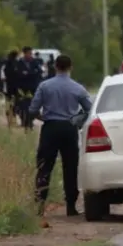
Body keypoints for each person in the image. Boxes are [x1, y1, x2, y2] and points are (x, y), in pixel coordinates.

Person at [28, 54, 93, 217]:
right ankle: (71, 206)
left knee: (44, 167)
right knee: (70, 167)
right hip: (69, 128)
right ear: (71, 67)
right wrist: (77, 120)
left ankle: (40, 206)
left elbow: (32, 109)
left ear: (55, 66)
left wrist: (42, 117)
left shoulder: (45, 86)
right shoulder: (78, 88)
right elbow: (89, 109)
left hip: (50, 128)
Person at [15, 46, 43, 132]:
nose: (30, 55)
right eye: (28, 53)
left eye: (31, 53)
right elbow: (18, 74)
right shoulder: (20, 62)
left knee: (33, 105)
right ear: (24, 53)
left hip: (32, 87)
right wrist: (29, 73)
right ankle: (24, 120)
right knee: (23, 105)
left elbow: (39, 72)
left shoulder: (34, 62)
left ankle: (30, 121)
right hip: (23, 88)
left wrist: (28, 73)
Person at [2, 50, 20, 127]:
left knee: (8, 102)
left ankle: (9, 120)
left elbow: (3, 77)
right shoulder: (16, 64)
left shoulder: (5, 64)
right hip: (15, 86)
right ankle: (13, 119)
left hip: (8, 86)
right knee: (15, 103)